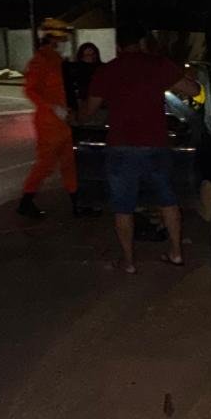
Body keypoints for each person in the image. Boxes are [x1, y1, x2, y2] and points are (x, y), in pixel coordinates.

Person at [82, 24, 201, 274]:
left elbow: (89, 111)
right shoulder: (158, 64)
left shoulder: (108, 70)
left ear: (117, 46)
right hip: (156, 145)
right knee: (168, 201)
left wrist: (73, 114)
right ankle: (176, 253)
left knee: (123, 207)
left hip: (121, 147)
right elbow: (194, 90)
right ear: (142, 43)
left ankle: (129, 262)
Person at [18, 18, 99, 219]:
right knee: (46, 164)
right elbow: (30, 90)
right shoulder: (40, 60)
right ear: (52, 39)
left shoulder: (57, 60)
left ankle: (77, 204)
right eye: (62, 39)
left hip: (62, 121)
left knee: (69, 163)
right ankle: (26, 202)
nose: (64, 43)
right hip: (49, 122)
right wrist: (53, 108)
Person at [65, 42, 102, 113]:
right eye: (87, 55)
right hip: (81, 102)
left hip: (98, 102)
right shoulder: (74, 69)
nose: (89, 57)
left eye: (92, 54)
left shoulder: (101, 69)